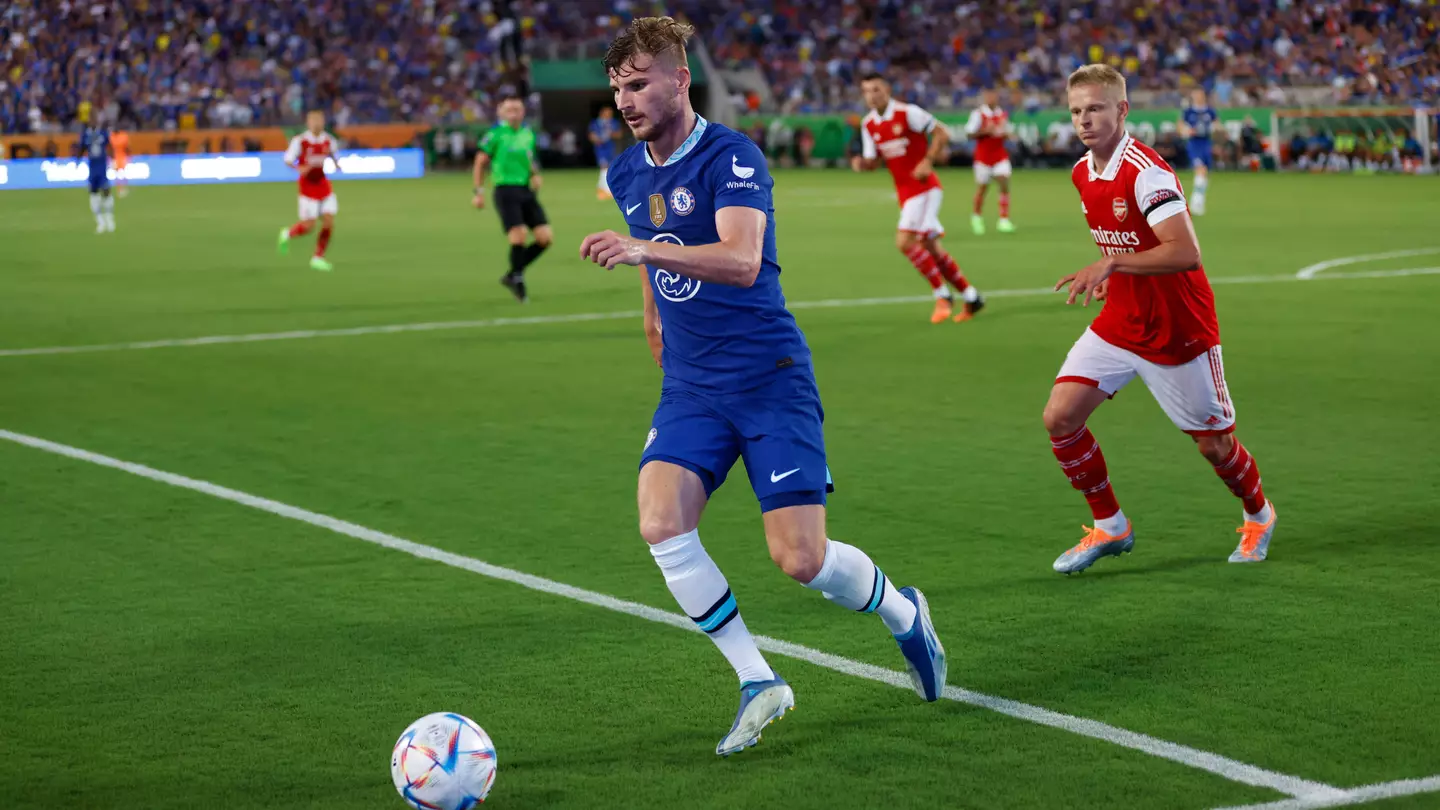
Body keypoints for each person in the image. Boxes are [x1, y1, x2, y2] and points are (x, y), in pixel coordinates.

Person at [580, 16, 946, 756]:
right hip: (692, 386)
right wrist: (651, 318)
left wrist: (643, 250)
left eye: (641, 81)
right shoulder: (624, 172)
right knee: (660, 520)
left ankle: (906, 616)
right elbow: (654, 265)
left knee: (800, 561)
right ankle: (758, 680)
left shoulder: (731, 154)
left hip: (767, 377)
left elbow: (743, 259)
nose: (627, 97)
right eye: (618, 86)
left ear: (681, 80)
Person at [1046, 65, 1275, 575]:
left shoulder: (1146, 171)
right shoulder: (1083, 172)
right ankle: (1111, 527)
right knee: (1060, 418)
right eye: (1077, 111)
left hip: (1178, 328)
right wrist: (1112, 270)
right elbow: (1118, 240)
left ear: (1122, 110)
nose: (1084, 120)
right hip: (1121, 318)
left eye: (1096, 109)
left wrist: (1112, 262)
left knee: (1215, 446)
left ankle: (1259, 514)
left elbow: (1186, 252)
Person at [851, 72, 985, 324]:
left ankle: (942, 294)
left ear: (887, 90)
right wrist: (862, 164)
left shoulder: (907, 112)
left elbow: (942, 133)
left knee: (904, 241)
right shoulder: (868, 124)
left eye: (876, 89)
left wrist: (927, 160)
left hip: (924, 188)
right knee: (931, 248)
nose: (872, 95)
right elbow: (874, 161)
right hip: (905, 192)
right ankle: (971, 296)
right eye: (867, 91)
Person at [473, 96, 551, 302]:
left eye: (517, 109)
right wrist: (478, 192)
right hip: (505, 190)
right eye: (510, 110)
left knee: (545, 238)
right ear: (502, 113)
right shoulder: (495, 135)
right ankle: (517, 278)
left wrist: (535, 174)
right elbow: (480, 162)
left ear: (523, 112)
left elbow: (530, 158)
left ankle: (512, 274)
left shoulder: (527, 134)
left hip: (525, 189)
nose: (514, 113)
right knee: (519, 235)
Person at [277, 110, 340, 272]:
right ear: (308, 123)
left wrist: (337, 164)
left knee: (328, 221)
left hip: (323, 184)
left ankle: (318, 257)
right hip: (307, 186)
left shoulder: (328, 140)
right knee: (309, 226)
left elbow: (333, 154)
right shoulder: (301, 141)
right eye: (314, 121)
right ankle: (287, 234)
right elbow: (288, 160)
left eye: (320, 120)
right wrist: (299, 168)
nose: (317, 124)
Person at [965, 88, 1015, 234]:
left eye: (993, 95)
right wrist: (986, 131)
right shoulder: (978, 114)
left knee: (1004, 181)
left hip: (999, 155)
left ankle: (1004, 219)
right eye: (988, 95)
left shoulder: (1002, 114)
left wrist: (1006, 134)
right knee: (982, 188)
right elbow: (969, 134)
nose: (991, 98)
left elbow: (1006, 132)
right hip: (983, 157)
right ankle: (976, 217)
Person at [1179, 88, 1217, 215]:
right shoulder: (1188, 111)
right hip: (1194, 143)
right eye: (1195, 95)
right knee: (1200, 169)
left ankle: (1199, 200)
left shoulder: (1209, 111)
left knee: (1204, 172)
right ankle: (1196, 202)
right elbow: (1179, 126)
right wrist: (1187, 131)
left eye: (1200, 94)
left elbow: (1217, 125)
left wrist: (1215, 129)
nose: (1197, 97)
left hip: (1206, 143)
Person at [77, 120, 116, 233]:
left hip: (102, 167)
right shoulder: (85, 135)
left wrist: (113, 160)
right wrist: (77, 161)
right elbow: (81, 148)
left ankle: (110, 220)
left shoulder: (103, 134)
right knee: (93, 193)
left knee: (106, 190)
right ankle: (100, 222)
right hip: (92, 168)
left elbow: (109, 146)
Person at [589, 106, 621, 200]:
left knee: (610, 168)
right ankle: (606, 191)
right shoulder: (596, 123)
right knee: (604, 166)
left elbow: (619, 134)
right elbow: (591, 135)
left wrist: (611, 134)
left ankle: (601, 189)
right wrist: (597, 139)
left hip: (611, 148)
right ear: (602, 113)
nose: (609, 115)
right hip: (601, 148)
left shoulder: (613, 122)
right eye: (608, 113)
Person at [111, 129, 131, 198]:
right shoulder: (112, 136)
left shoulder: (123, 135)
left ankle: (123, 189)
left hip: (122, 157)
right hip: (116, 158)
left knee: (122, 174)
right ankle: (120, 190)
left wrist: (128, 155)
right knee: (118, 175)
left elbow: (127, 147)